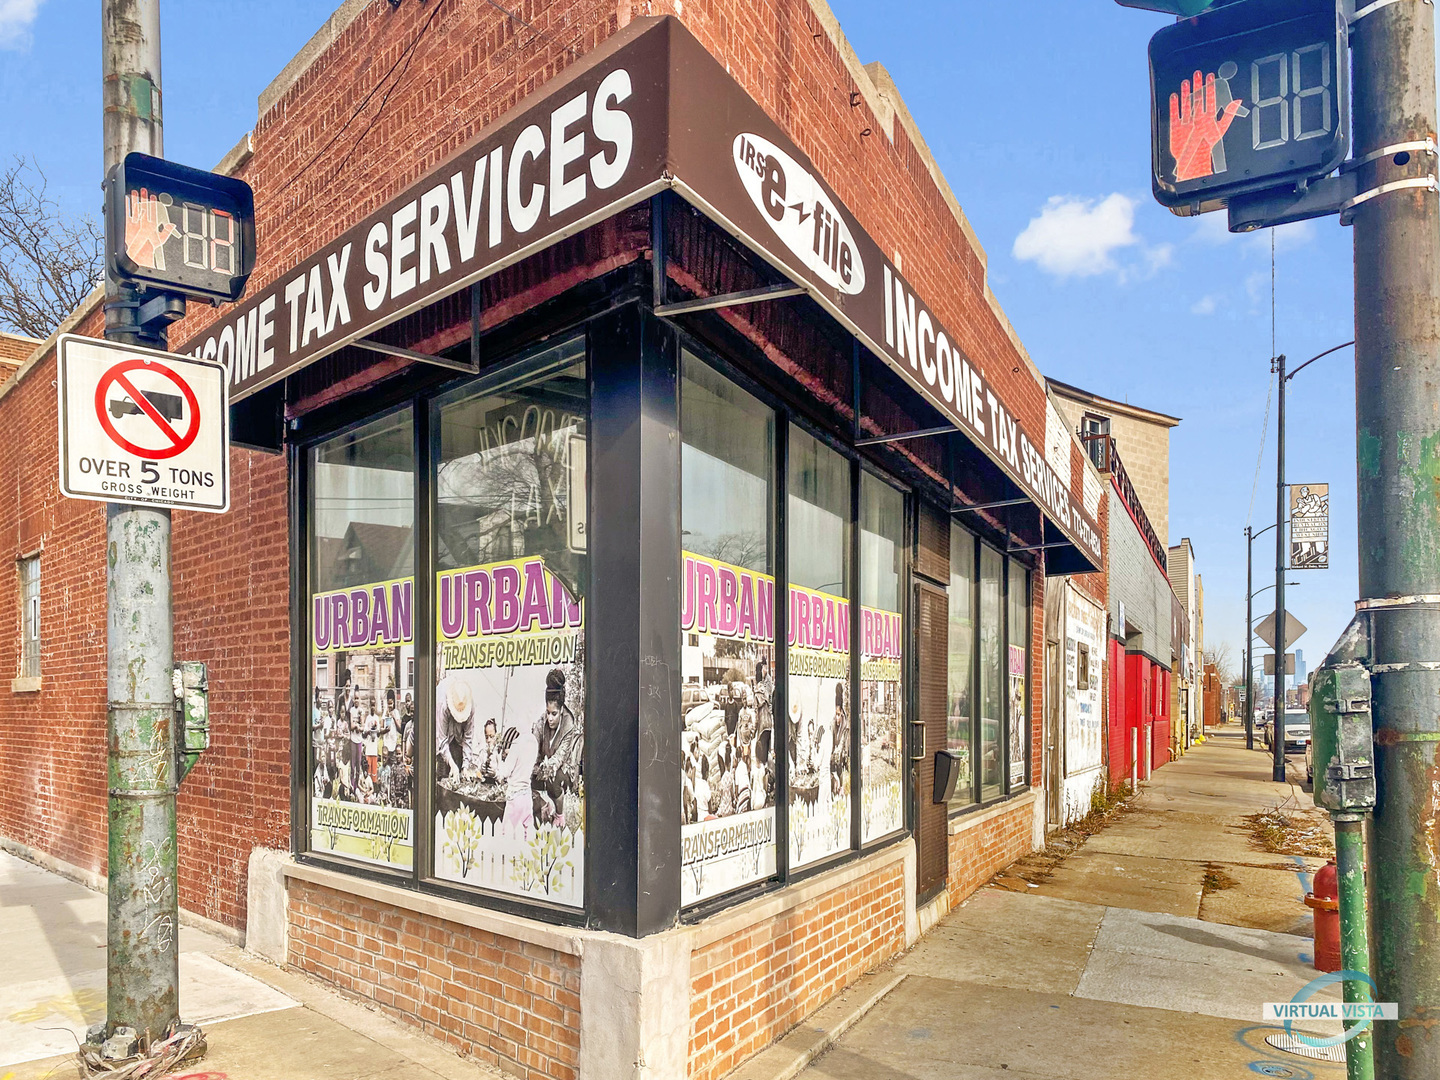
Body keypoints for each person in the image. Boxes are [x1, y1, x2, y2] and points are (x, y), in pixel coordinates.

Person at [533, 668, 582, 824]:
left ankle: (559, 815)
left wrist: (549, 766)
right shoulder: (542, 722)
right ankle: (542, 805)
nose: (550, 718)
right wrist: (533, 765)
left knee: (553, 781)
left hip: (563, 768)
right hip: (543, 765)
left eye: (554, 713)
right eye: (548, 712)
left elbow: (561, 755)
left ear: (561, 710)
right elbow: (533, 747)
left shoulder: (569, 724)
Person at [492, 723, 539, 838]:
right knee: (526, 834)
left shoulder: (517, 745)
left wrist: (496, 765)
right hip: (527, 796)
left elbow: (505, 772)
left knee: (507, 834)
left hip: (515, 797)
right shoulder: (533, 742)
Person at [435, 676, 476, 780]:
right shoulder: (442, 704)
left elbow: (468, 738)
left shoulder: (470, 706)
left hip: (458, 740)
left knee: (460, 774)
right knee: (442, 774)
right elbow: (442, 739)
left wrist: (465, 766)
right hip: (441, 739)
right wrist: (452, 765)